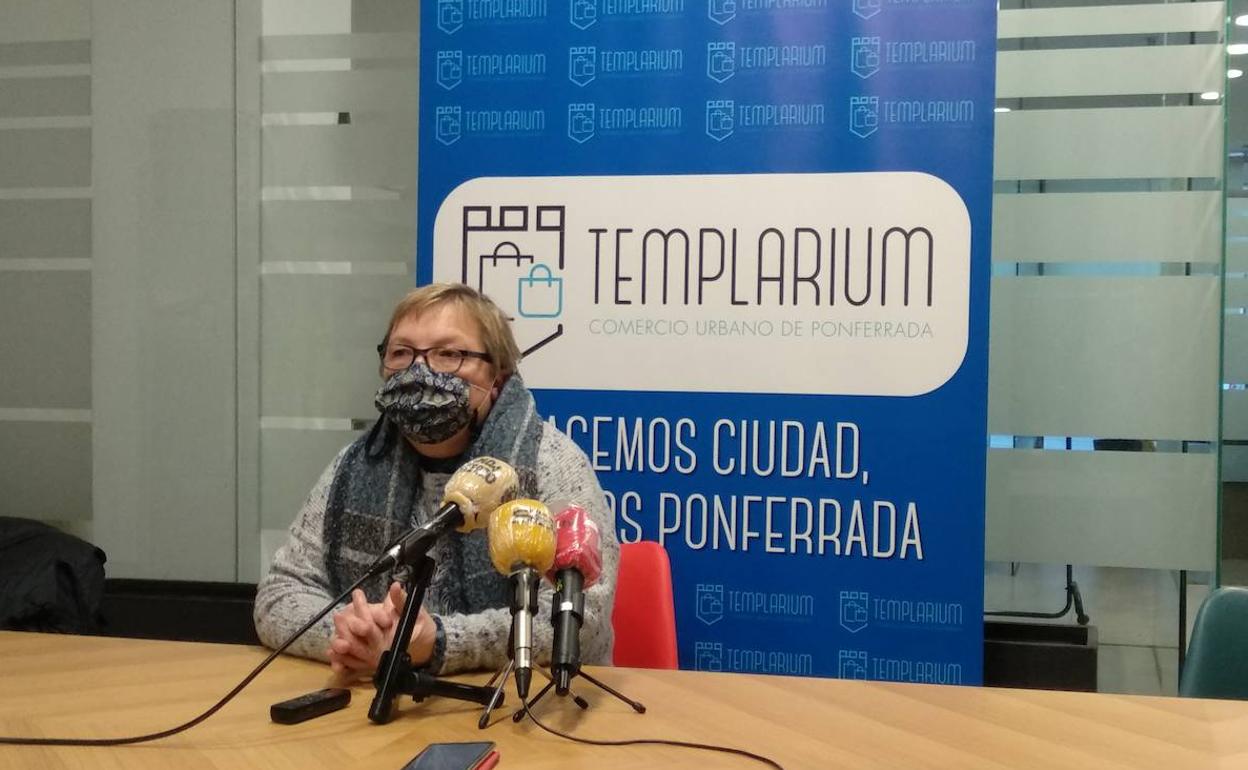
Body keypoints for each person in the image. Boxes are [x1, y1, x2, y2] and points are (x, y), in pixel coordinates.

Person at [254, 283, 618, 678]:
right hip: (376, 695)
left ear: (497, 375)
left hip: (520, 700)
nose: (420, 371)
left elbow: (580, 619)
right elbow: (279, 596)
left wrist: (439, 642)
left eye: (448, 354)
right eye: (401, 353)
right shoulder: (353, 466)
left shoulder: (552, 463)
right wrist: (358, 636)